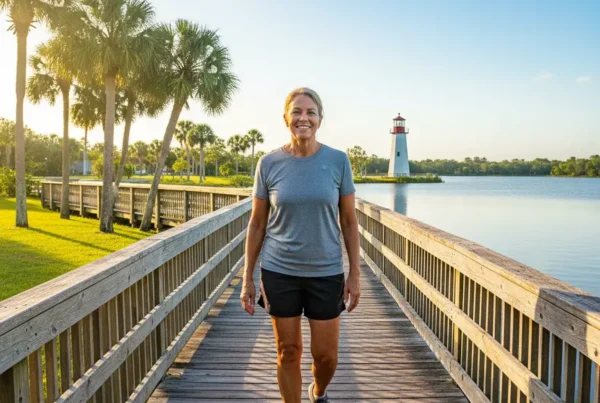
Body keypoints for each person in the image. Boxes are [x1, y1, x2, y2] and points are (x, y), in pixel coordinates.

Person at [240, 87, 361, 403]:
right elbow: (257, 224)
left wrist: (355, 276)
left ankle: (318, 391)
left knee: (326, 358)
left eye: (310, 112)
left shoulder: (338, 161)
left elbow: (349, 222)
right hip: (280, 271)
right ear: (286, 118)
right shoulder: (268, 164)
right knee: (288, 351)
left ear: (320, 119)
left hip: (326, 272)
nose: (303, 118)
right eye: (297, 111)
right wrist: (247, 279)